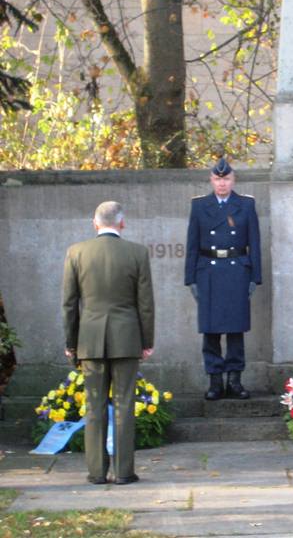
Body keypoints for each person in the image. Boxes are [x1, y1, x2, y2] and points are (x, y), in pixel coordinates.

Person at [62, 201, 155, 485]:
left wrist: (71, 343)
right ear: (122, 223)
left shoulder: (76, 252)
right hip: (127, 338)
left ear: (95, 223)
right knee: (125, 404)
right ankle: (124, 472)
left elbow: (69, 304)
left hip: (89, 339)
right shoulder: (137, 253)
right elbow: (146, 304)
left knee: (94, 405)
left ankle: (96, 471)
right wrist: (147, 340)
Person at [184, 157, 262, 400]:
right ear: (211, 180)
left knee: (236, 330)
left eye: (226, 179)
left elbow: (255, 243)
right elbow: (192, 244)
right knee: (211, 331)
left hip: (237, 270)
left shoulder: (246, 205)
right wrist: (190, 278)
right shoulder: (199, 205)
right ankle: (215, 381)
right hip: (208, 271)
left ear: (233, 180)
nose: (222, 184)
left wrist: (255, 277)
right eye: (218, 179)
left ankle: (235, 381)